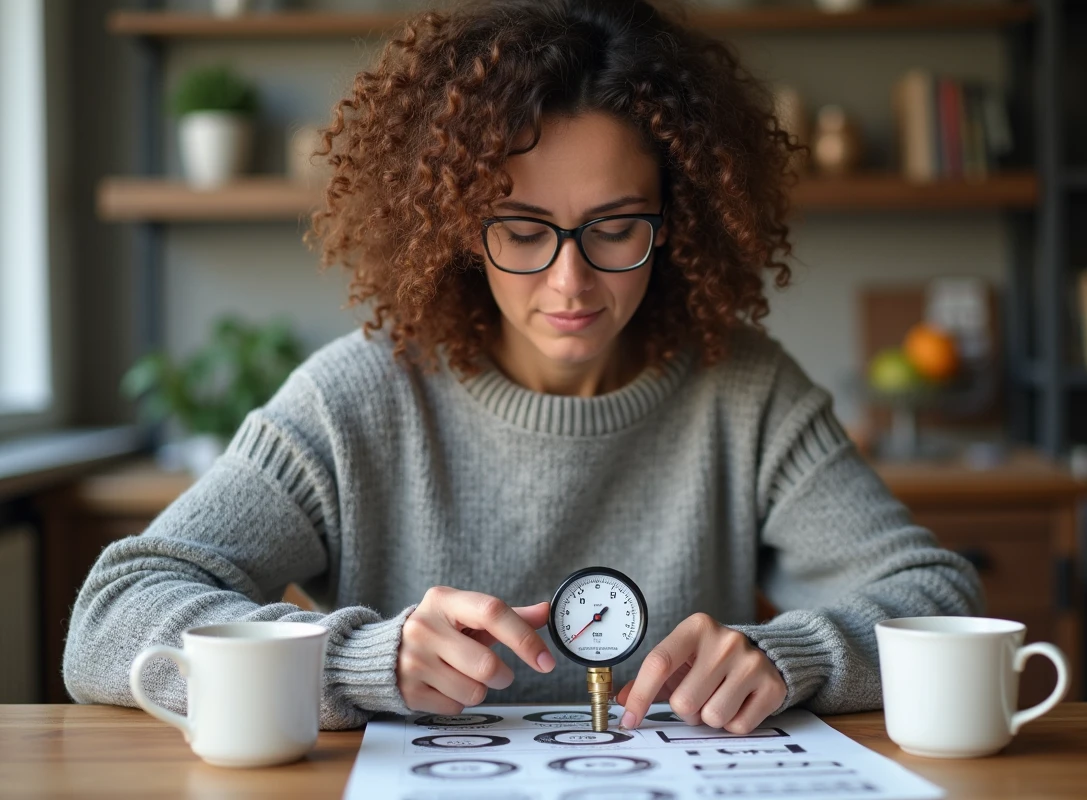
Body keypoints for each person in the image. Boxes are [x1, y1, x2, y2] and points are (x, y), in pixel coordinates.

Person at [64, 0, 983, 733]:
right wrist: (356, 660)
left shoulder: (745, 388)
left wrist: (797, 655)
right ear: (462, 231)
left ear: (680, 219)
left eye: (617, 226)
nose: (570, 280)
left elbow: (932, 594)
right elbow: (113, 614)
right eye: (522, 230)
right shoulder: (358, 397)